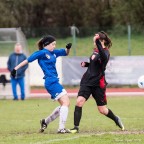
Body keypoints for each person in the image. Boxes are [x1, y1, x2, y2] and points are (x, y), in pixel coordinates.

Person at [10, 35, 72, 133]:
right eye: (53, 44)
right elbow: (28, 60)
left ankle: (45, 121)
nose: (54, 46)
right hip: (50, 82)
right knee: (66, 103)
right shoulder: (41, 53)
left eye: (55, 44)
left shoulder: (54, 52)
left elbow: (66, 53)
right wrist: (15, 69)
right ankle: (61, 128)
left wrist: (68, 48)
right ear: (46, 44)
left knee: (65, 104)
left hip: (54, 81)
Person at [70, 31, 124, 133]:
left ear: (101, 41)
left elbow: (103, 58)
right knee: (79, 102)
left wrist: (98, 42)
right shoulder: (95, 51)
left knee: (102, 110)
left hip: (98, 84)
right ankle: (76, 128)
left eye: (96, 40)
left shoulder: (106, 53)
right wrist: (86, 64)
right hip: (87, 81)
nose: (94, 41)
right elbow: (94, 65)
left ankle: (116, 119)